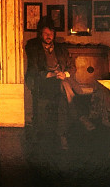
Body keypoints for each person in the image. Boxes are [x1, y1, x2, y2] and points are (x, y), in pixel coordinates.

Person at [25, 17, 95, 151]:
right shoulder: (33, 48)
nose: (49, 36)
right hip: (44, 83)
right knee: (64, 86)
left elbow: (72, 67)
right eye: (46, 33)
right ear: (40, 34)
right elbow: (33, 70)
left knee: (63, 94)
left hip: (62, 81)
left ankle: (62, 136)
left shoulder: (61, 48)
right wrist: (51, 74)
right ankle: (80, 117)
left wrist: (65, 74)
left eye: (51, 33)